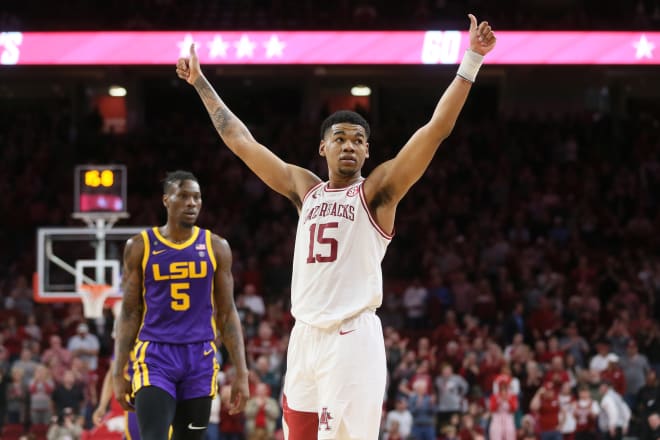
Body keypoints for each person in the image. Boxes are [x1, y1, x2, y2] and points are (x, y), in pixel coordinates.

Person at [177, 14, 495, 440]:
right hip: (304, 335)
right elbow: (241, 141)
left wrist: (472, 59)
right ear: (322, 146)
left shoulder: (379, 191)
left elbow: (435, 131)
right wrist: (201, 83)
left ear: (367, 153)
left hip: (351, 336)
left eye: (359, 140)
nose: (350, 144)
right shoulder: (304, 189)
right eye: (341, 137)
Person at [112, 170, 249, 440]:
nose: (192, 203)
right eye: (183, 196)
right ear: (166, 200)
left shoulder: (216, 246)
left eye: (197, 197)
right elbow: (129, 312)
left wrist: (241, 372)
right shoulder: (140, 246)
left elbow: (227, 312)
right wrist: (119, 371)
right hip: (155, 356)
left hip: (200, 358)